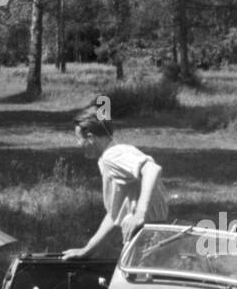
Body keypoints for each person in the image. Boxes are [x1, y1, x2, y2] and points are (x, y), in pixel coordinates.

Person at [62, 101, 169, 261]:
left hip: (146, 238)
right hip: (146, 237)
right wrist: (87, 250)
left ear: (90, 138)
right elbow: (115, 214)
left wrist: (139, 214)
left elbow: (152, 169)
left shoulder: (112, 156)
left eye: (79, 139)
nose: (78, 144)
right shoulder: (115, 154)